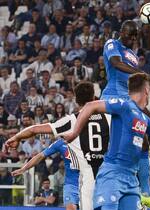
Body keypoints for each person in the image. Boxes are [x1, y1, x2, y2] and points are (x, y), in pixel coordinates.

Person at [62, 73, 150, 210]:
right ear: (146, 90)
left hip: (131, 180)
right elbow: (90, 106)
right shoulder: (124, 105)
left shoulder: (143, 117)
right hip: (113, 174)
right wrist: (75, 132)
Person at [6, 82, 110, 210]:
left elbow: (34, 130)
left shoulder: (71, 121)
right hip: (104, 176)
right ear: (94, 97)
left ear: (76, 100)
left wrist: (16, 137)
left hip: (87, 177)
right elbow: (40, 156)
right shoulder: (109, 118)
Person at [99, 20, 150, 210]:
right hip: (113, 100)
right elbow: (115, 63)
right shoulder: (112, 45)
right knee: (117, 146)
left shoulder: (133, 54)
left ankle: (145, 193)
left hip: (130, 102)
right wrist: (141, 73)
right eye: (129, 34)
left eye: (135, 35)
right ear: (121, 32)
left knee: (145, 137)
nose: (132, 38)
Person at [11, 139, 79, 210]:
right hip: (71, 183)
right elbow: (40, 156)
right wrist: (23, 169)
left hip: (87, 181)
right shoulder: (60, 143)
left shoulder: (88, 140)